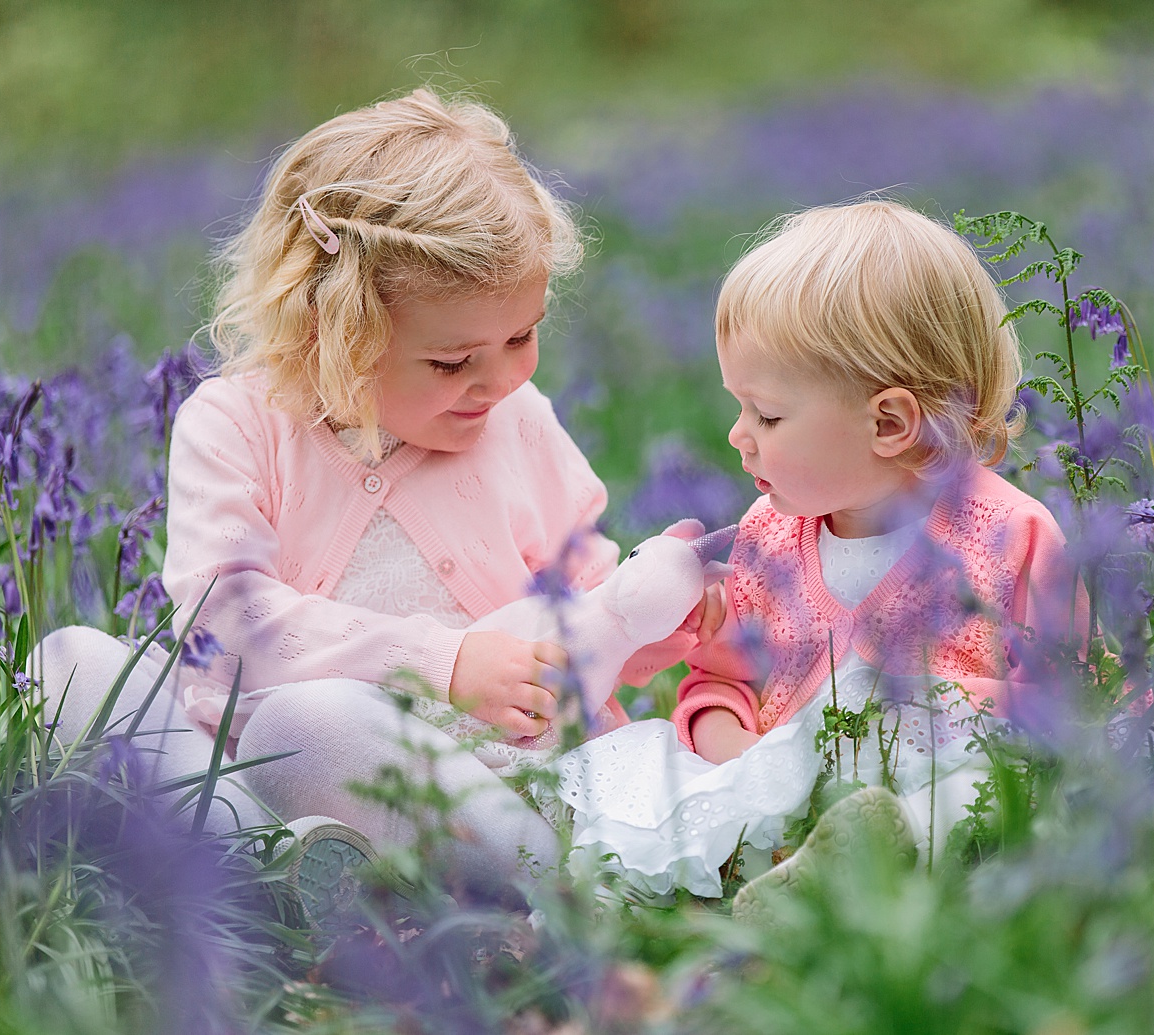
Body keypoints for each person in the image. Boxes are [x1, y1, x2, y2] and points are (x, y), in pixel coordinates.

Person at [37, 88, 717, 902]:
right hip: (254, 750)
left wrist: (664, 617)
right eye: (451, 361)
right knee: (70, 665)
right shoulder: (235, 424)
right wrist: (443, 662)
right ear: (331, 329)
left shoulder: (517, 419)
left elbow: (584, 601)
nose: (499, 379)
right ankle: (269, 856)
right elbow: (227, 618)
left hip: (478, 776)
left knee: (313, 724)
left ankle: (493, 875)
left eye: (522, 336)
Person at [556, 200, 1084, 898]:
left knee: (967, 787)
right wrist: (743, 767)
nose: (738, 435)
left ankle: (854, 861)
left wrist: (931, 712)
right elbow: (721, 685)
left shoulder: (1008, 535)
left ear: (889, 421)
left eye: (768, 414)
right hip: (774, 786)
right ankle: (768, 874)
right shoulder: (768, 538)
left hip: (926, 778)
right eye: (740, 407)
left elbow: (1075, 700)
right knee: (634, 771)